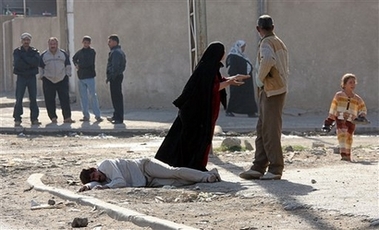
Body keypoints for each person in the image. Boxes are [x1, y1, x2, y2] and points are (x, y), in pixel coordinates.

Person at [155, 41, 250, 171]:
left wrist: (232, 79)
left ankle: (195, 165)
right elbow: (210, 87)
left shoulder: (212, 68)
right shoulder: (206, 69)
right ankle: (192, 166)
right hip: (197, 113)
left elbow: (217, 81)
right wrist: (229, 83)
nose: (224, 54)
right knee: (195, 139)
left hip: (205, 111)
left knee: (201, 139)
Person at [239, 15, 289, 180]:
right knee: (262, 128)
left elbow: (267, 59)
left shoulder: (267, 42)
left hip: (271, 90)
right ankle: (258, 166)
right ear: (273, 26)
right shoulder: (278, 41)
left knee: (270, 130)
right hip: (275, 89)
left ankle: (275, 168)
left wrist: (260, 79)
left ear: (258, 29)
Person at [78, 157, 221, 192]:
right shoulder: (102, 181)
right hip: (147, 182)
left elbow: (120, 181)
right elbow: (97, 184)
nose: (97, 178)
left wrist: (106, 187)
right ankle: (210, 175)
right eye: (93, 179)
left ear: (94, 170)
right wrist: (89, 186)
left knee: (173, 172)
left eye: (94, 175)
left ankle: (206, 176)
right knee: (179, 184)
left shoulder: (105, 165)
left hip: (145, 167)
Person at [322, 73, 368, 162]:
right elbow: (333, 108)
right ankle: (344, 155)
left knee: (349, 138)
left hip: (352, 121)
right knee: (342, 136)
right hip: (340, 119)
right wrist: (329, 121)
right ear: (344, 84)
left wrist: (362, 115)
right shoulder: (338, 96)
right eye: (350, 82)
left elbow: (363, 107)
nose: (353, 85)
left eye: (354, 83)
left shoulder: (357, 98)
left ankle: (348, 155)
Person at [39, 37, 75, 123]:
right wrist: (41, 76)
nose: (53, 46)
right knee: (49, 99)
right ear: (48, 45)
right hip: (48, 79)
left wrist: (68, 74)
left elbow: (68, 65)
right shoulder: (44, 55)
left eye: (54, 44)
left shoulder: (63, 54)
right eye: (51, 44)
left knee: (65, 99)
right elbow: (40, 67)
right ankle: (53, 117)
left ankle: (67, 117)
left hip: (62, 79)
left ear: (57, 44)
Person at [12, 32, 41, 127]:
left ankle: (34, 118)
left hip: (31, 77)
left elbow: (36, 62)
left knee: (33, 98)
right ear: (21, 41)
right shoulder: (17, 51)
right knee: (19, 98)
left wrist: (25, 60)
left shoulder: (34, 51)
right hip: (21, 77)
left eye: (28, 40)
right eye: (24, 40)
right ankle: (17, 118)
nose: (26, 42)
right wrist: (29, 63)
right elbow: (17, 63)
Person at [72, 36, 103, 122]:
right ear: (82, 43)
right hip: (81, 77)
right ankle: (86, 115)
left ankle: (97, 115)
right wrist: (76, 64)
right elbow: (74, 58)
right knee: (83, 97)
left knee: (93, 96)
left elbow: (89, 63)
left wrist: (80, 65)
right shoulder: (80, 52)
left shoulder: (92, 52)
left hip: (90, 76)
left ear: (89, 43)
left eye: (87, 43)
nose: (86, 44)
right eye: (84, 42)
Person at [225, 40, 258, 117]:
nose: (243, 49)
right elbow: (232, 69)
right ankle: (230, 110)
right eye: (242, 47)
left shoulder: (242, 56)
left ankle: (250, 112)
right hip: (238, 80)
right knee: (235, 95)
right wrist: (237, 78)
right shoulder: (233, 56)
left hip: (246, 80)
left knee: (248, 96)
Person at [106, 34, 127, 124]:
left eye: (110, 41)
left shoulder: (116, 53)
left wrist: (111, 76)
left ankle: (119, 118)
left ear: (115, 42)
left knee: (117, 98)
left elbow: (115, 66)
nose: (108, 43)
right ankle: (116, 115)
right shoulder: (117, 51)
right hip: (117, 76)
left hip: (115, 77)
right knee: (115, 98)